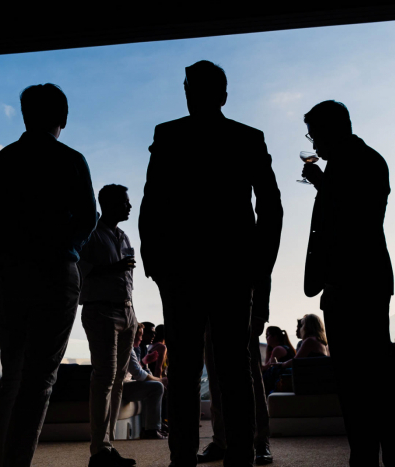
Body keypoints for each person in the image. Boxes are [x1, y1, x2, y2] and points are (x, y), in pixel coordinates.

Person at [139, 60, 283, 467]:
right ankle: (238, 454)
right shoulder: (247, 138)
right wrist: (260, 265)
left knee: (184, 372)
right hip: (233, 270)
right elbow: (271, 208)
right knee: (234, 369)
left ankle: (182, 457)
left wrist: (157, 264)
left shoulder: (168, 135)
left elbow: (153, 205)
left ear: (190, 92)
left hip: (182, 272)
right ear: (224, 94)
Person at [0, 83, 98, 467]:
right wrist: (65, 249)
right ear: (62, 118)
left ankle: (4, 461)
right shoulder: (71, 160)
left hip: (12, 274)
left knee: (12, 372)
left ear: (25, 114)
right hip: (56, 272)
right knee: (40, 378)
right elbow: (87, 217)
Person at [301, 100, 395, 466]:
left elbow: (354, 220)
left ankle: (368, 458)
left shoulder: (356, 163)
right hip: (363, 280)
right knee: (372, 379)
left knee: (360, 382)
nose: (313, 146)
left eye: (315, 136)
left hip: (354, 282)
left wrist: (323, 185)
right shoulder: (366, 160)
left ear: (333, 129)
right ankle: (380, 457)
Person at [77, 184, 138, 467]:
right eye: (125, 202)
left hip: (127, 313)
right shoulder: (90, 234)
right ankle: (98, 451)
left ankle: (107, 447)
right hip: (101, 311)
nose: (129, 206)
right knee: (104, 380)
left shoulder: (123, 236)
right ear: (109, 204)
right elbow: (80, 272)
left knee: (117, 383)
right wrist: (113, 269)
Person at [199, 279, 275, 465]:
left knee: (252, 378)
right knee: (216, 378)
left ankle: (260, 441)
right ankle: (221, 441)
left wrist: (259, 312)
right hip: (208, 305)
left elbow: (263, 262)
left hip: (241, 298)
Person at [123, 323, 168, 439]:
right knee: (157, 387)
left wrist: (144, 362)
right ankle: (152, 430)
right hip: (122, 386)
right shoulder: (128, 348)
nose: (141, 338)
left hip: (123, 384)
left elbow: (136, 370)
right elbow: (139, 375)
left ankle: (150, 427)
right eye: (140, 335)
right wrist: (161, 380)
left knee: (153, 386)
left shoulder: (130, 348)